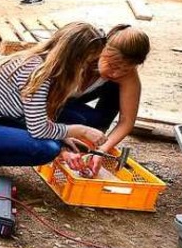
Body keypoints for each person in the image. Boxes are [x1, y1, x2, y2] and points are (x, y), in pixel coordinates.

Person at [0, 22, 108, 172]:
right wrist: (81, 130)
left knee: (58, 139)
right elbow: (39, 130)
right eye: (85, 62)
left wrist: (63, 137)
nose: (85, 68)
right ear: (73, 58)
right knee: (47, 148)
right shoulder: (36, 73)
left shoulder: (39, 63)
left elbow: (32, 119)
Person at [60, 24, 149, 175]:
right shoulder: (76, 57)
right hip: (50, 104)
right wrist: (61, 145)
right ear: (103, 50)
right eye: (113, 65)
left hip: (72, 107)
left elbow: (127, 120)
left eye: (125, 69)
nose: (116, 73)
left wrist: (102, 149)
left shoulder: (126, 73)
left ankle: (94, 139)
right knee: (77, 122)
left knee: (89, 122)